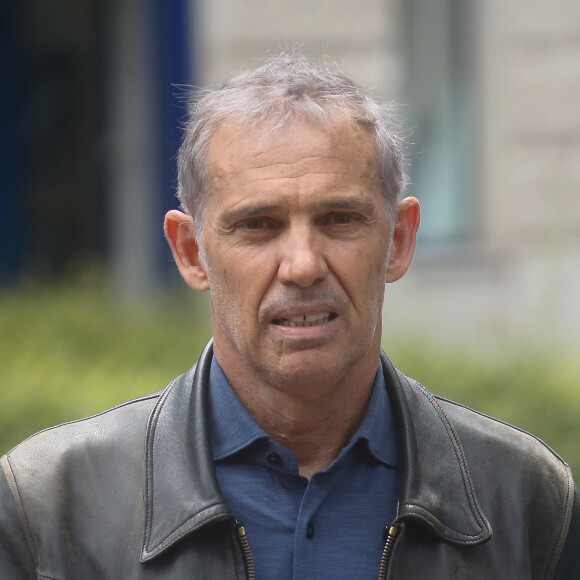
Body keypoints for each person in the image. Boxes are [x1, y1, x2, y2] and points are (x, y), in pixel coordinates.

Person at [0, 52, 578, 580]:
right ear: (190, 252)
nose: (302, 265)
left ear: (399, 241)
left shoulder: (523, 500)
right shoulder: (48, 507)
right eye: (258, 225)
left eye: (340, 219)